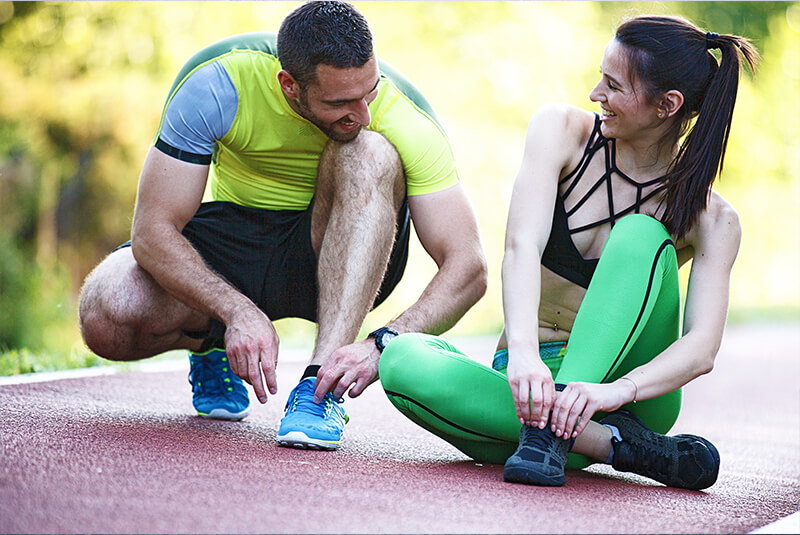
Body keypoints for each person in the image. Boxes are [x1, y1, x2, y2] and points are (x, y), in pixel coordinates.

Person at [78, 0, 487, 451]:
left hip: (342, 245)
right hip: (236, 240)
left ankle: (319, 388)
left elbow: (468, 268)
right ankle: (209, 344)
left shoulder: (406, 115)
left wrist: (383, 343)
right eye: (340, 102)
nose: (363, 113)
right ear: (289, 86)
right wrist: (235, 311)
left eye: (367, 93)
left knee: (369, 149)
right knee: (107, 311)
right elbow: (152, 232)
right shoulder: (218, 84)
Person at [379, 15, 758, 489]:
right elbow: (521, 246)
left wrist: (615, 391)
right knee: (399, 359)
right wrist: (523, 353)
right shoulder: (560, 132)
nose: (596, 93)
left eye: (613, 85)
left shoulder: (712, 218)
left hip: (627, 395)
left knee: (640, 233)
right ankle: (614, 446)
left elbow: (701, 348)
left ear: (667, 105)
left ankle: (563, 432)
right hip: (527, 380)